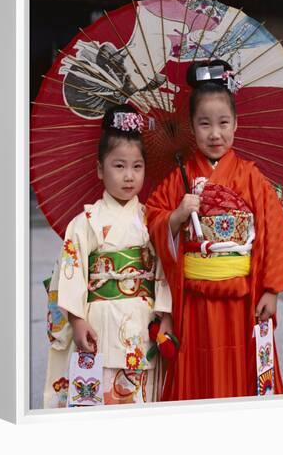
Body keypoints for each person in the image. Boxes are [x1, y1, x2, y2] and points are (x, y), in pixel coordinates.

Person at [146, 59, 283, 401]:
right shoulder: (180, 178)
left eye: (223, 123)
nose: (214, 133)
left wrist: (272, 290)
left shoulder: (251, 177)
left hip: (243, 297)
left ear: (236, 124)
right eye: (204, 124)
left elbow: (273, 232)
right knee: (198, 370)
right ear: (191, 126)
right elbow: (152, 219)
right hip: (195, 300)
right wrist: (176, 215)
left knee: (243, 368)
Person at [43, 104, 172, 408]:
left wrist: (165, 315)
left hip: (142, 324)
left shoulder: (151, 219)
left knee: (140, 399)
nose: (129, 176)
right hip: (97, 323)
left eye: (137, 166)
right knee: (98, 397)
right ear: (100, 168)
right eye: (119, 166)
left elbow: (164, 269)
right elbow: (71, 273)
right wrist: (76, 321)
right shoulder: (84, 223)